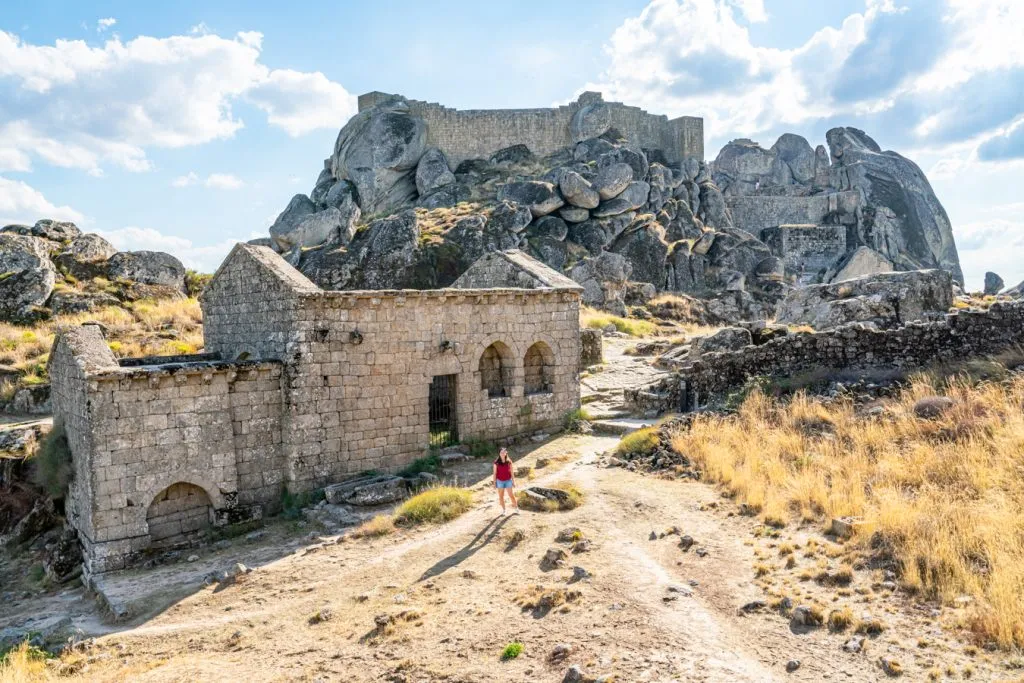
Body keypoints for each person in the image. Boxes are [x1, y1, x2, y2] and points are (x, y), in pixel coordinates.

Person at [492, 447, 519, 515]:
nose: (503, 453)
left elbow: (512, 472)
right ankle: (504, 510)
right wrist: (494, 483)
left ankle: (516, 508)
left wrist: (513, 481)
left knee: (511, 495)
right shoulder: (496, 463)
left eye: (504, 452)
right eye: (501, 452)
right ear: (499, 453)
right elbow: (495, 473)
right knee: (501, 496)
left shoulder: (509, 462)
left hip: (508, 481)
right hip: (500, 481)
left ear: (506, 453)